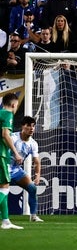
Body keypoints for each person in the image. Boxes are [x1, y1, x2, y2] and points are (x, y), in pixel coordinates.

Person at [9, 116, 43, 222]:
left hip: (16, 170)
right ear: (22, 126)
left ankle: (33, 216)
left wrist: (37, 176)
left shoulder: (33, 144)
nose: (31, 128)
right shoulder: (13, 137)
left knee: (32, 188)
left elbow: (37, 161)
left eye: (33, 126)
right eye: (28, 125)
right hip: (3, 167)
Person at [0, 93, 24, 229]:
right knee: (5, 187)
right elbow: (5, 134)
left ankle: (5, 220)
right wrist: (16, 153)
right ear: (14, 105)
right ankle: (5, 221)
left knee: (2, 187)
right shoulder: (8, 115)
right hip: (1, 154)